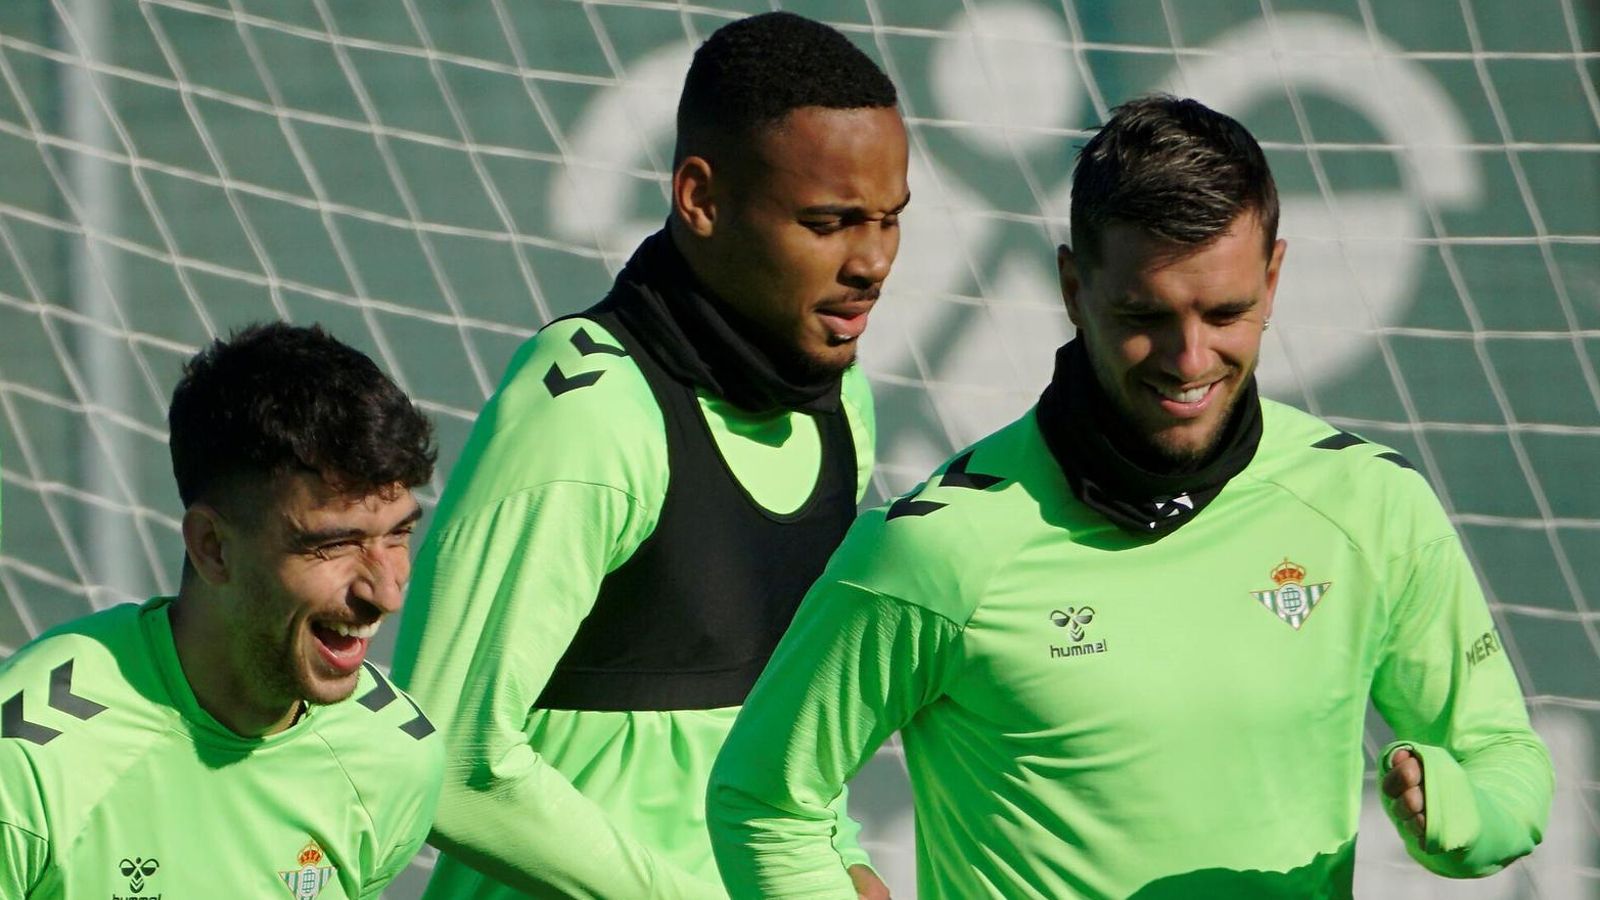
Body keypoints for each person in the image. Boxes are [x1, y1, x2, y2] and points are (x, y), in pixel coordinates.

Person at [707, 95, 1554, 899]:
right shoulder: (937, 545)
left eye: (1227, 313)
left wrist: (1463, 817)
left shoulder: (1370, 505)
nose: (1190, 360)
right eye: (1147, 313)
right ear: (1075, 289)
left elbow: (1501, 761)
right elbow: (764, 798)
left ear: (1276, 275)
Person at [390, 11, 907, 900]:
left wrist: (841, 856)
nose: (872, 261)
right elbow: (451, 752)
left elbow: (770, 731)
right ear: (699, 199)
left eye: (890, 221)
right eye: (828, 222)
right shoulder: (585, 413)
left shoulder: (838, 405)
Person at [0, 322, 443, 898]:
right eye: (334, 543)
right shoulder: (28, 765)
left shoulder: (395, 755)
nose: (385, 592)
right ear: (213, 547)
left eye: (398, 534)